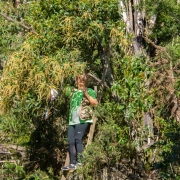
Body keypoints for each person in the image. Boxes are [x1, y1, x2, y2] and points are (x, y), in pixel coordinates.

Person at [62, 74, 98, 170]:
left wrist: (86, 94)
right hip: (72, 120)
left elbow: (95, 103)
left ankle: (80, 162)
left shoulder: (89, 91)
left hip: (83, 119)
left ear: (86, 82)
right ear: (76, 81)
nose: (81, 83)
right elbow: (63, 88)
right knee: (70, 141)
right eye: (79, 80)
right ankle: (72, 163)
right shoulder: (72, 91)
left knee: (78, 138)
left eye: (83, 81)